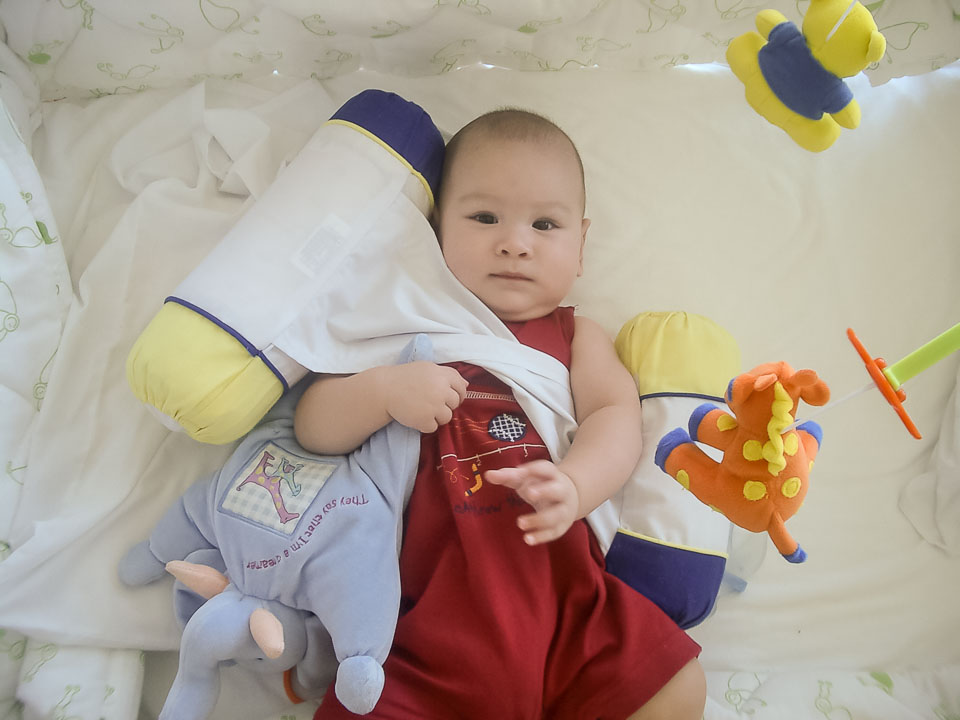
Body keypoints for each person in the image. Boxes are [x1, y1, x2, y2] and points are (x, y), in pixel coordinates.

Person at [293, 108, 706, 719]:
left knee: (678, 684)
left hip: (571, 611)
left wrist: (576, 483)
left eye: (545, 224)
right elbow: (313, 427)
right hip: (419, 630)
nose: (515, 242)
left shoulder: (576, 337)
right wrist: (383, 392)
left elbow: (616, 417)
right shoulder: (403, 322)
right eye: (484, 218)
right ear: (435, 228)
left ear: (581, 245)